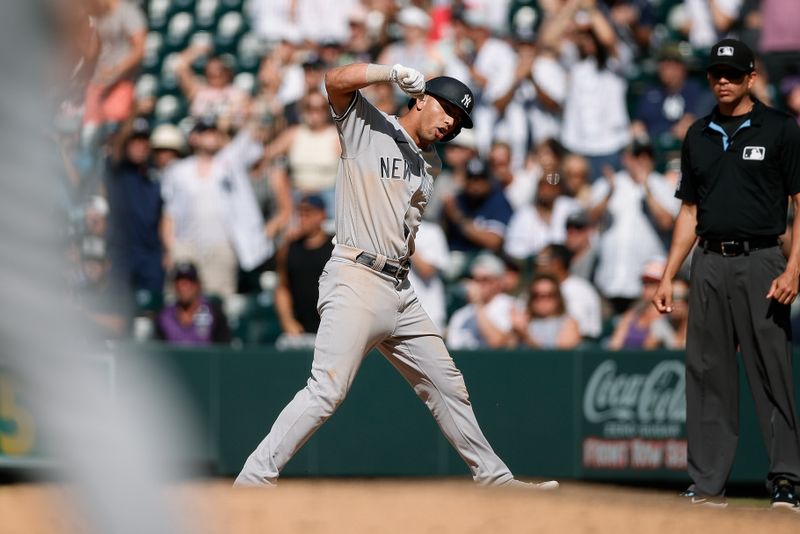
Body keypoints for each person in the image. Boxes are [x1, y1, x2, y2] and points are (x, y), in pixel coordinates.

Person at [234, 62, 557, 490]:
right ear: (420, 98)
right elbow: (333, 81)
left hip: (400, 287)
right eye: (446, 111)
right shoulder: (368, 126)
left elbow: (405, 227)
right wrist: (388, 72)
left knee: (447, 383)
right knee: (326, 391)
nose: (450, 123)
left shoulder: (432, 165)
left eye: (457, 121)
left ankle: (495, 479)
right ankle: (254, 479)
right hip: (356, 275)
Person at [653, 38, 800, 509]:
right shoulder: (697, 133)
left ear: (751, 77)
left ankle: (787, 479)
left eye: (732, 74)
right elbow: (689, 212)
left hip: (763, 260)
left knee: (771, 372)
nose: (722, 81)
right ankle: (708, 482)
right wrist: (668, 274)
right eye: (716, 73)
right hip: (709, 263)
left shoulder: (780, 128)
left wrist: (796, 269)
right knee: (706, 371)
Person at [274, 194, 334, 339]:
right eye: (300, 213)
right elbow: (282, 287)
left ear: (322, 215)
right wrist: (287, 321)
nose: (303, 218)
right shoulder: (289, 248)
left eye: (308, 213)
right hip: (300, 332)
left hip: (331, 329)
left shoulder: (335, 248)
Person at [446, 252, 516, 350]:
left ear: (498, 282)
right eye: (475, 279)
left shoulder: (509, 305)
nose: (478, 285)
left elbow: (498, 343)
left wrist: (478, 304)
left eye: (485, 279)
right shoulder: (461, 314)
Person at [155, 262, 231, 345]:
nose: (183, 287)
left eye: (189, 281)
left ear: (198, 285)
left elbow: (223, 351)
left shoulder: (214, 313)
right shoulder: (165, 316)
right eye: (180, 281)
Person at [510, 273, 581, 349]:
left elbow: (558, 356)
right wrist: (514, 332)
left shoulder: (568, 323)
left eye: (549, 295)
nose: (542, 300)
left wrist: (525, 335)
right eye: (536, 295)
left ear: (558, 298)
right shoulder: (524, 321)